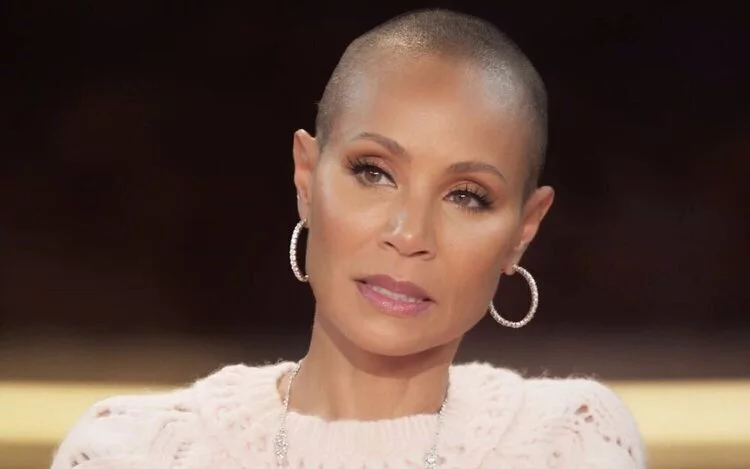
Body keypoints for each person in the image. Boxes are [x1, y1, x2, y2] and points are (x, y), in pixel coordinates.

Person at [51, 8, 646, 469]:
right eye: (374, 173)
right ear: (306, 178)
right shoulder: (131, 451)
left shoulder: (566, 442)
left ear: (523, 230)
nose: (409, 234)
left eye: (467, 195)